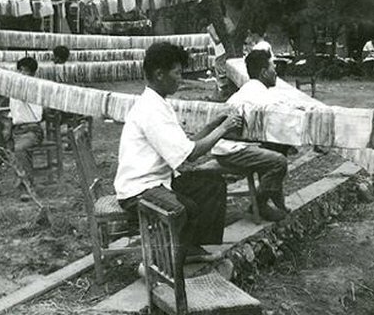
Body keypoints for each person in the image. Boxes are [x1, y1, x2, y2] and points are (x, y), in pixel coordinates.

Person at [114, 42, 241, 263]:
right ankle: (159, 261)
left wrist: (212, 125)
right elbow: (190, 155)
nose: (180, 79)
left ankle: (190, 248)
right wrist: (223, 129)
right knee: (183, 209)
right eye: (177, 73)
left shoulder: (159, 104)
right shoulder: (151, 110)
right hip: (139, 189)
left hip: (159, 180)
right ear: (159, 74)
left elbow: (185, 145)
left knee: (212, 185)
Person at [212, 49, 289, 221]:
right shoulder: (261, 95)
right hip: (231, 150)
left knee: (277, 148)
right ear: (263, 72)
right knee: (278, 161)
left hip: (228, 145)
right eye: (273, 67)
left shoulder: (250, 88)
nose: (276, 71)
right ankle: (259, 204)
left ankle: (276, 201)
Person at [0, 56, 43, 201]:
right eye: (20, 70)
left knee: (19, 149)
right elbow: (15, 111)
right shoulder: (15, 88)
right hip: (15, 129)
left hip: (31, 130)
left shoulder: (35, 87)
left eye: (26, 71)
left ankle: (25, 187)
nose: (22, 73)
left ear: (33, 73)